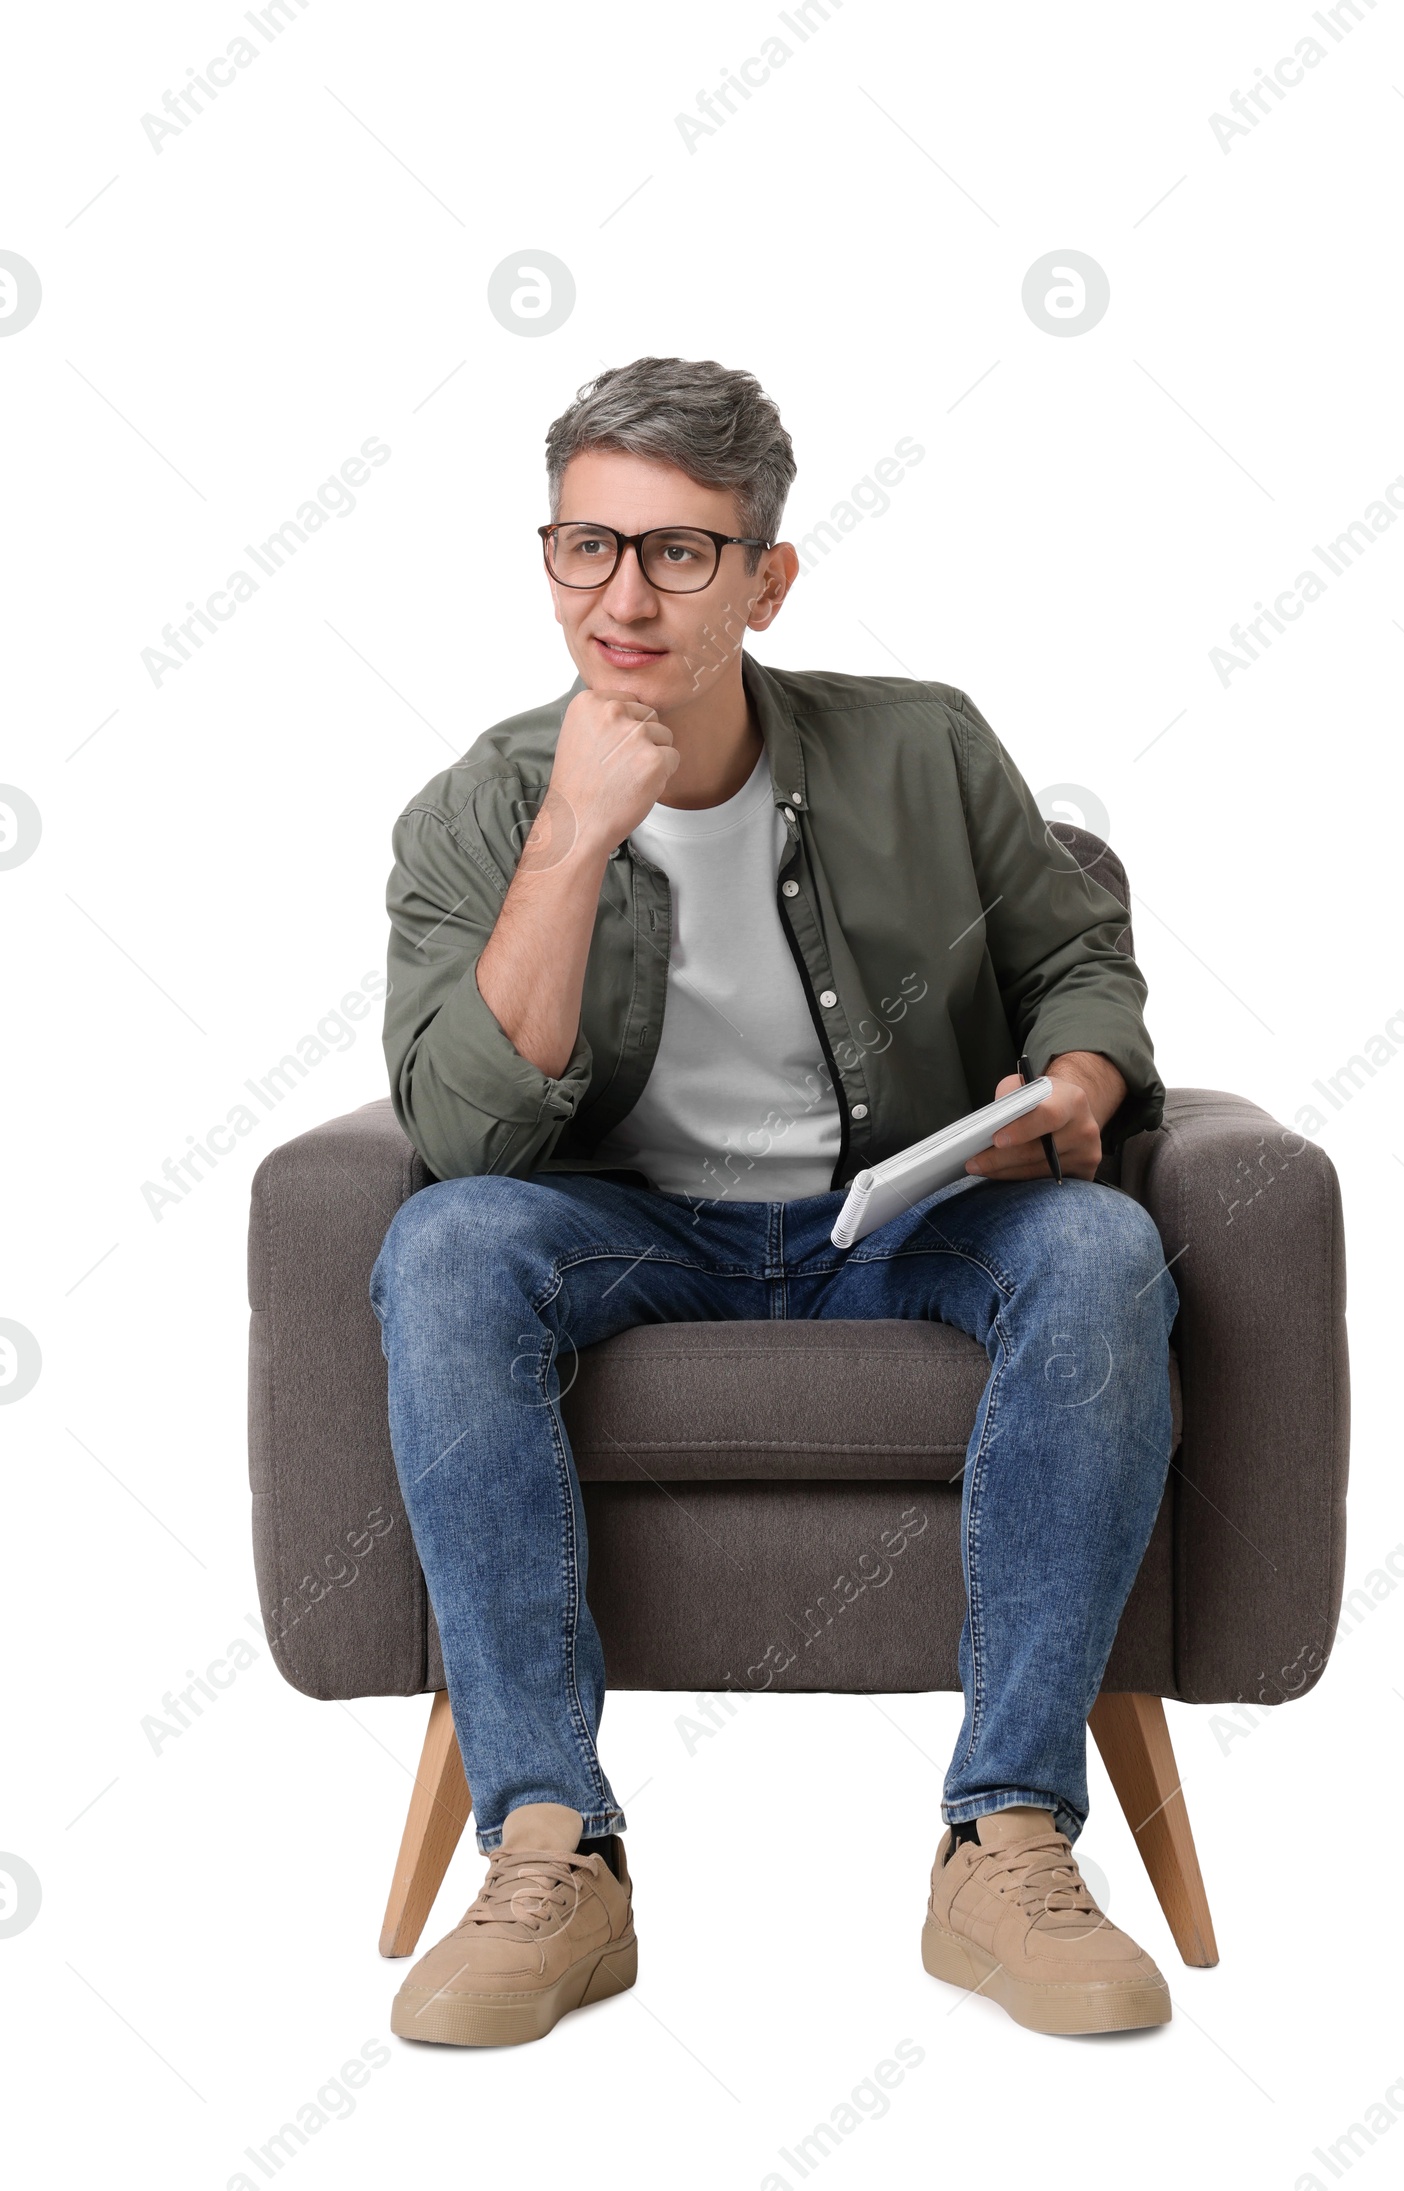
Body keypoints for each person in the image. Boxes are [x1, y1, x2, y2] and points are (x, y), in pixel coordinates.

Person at [369, 355, 1180, 2047]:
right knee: (444, 1248)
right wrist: (574, 844)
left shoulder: (924, 745)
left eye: (678, 553)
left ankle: (1006, 1834)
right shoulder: (483, 805)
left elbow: (1078, 960)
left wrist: (1080, 1087)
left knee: (1102, 1250)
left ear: (766, 578)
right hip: (630, 1233)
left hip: (903, 1216)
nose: (623, 595)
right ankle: (550, 1846)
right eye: (585, 546)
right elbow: (460, 1131)